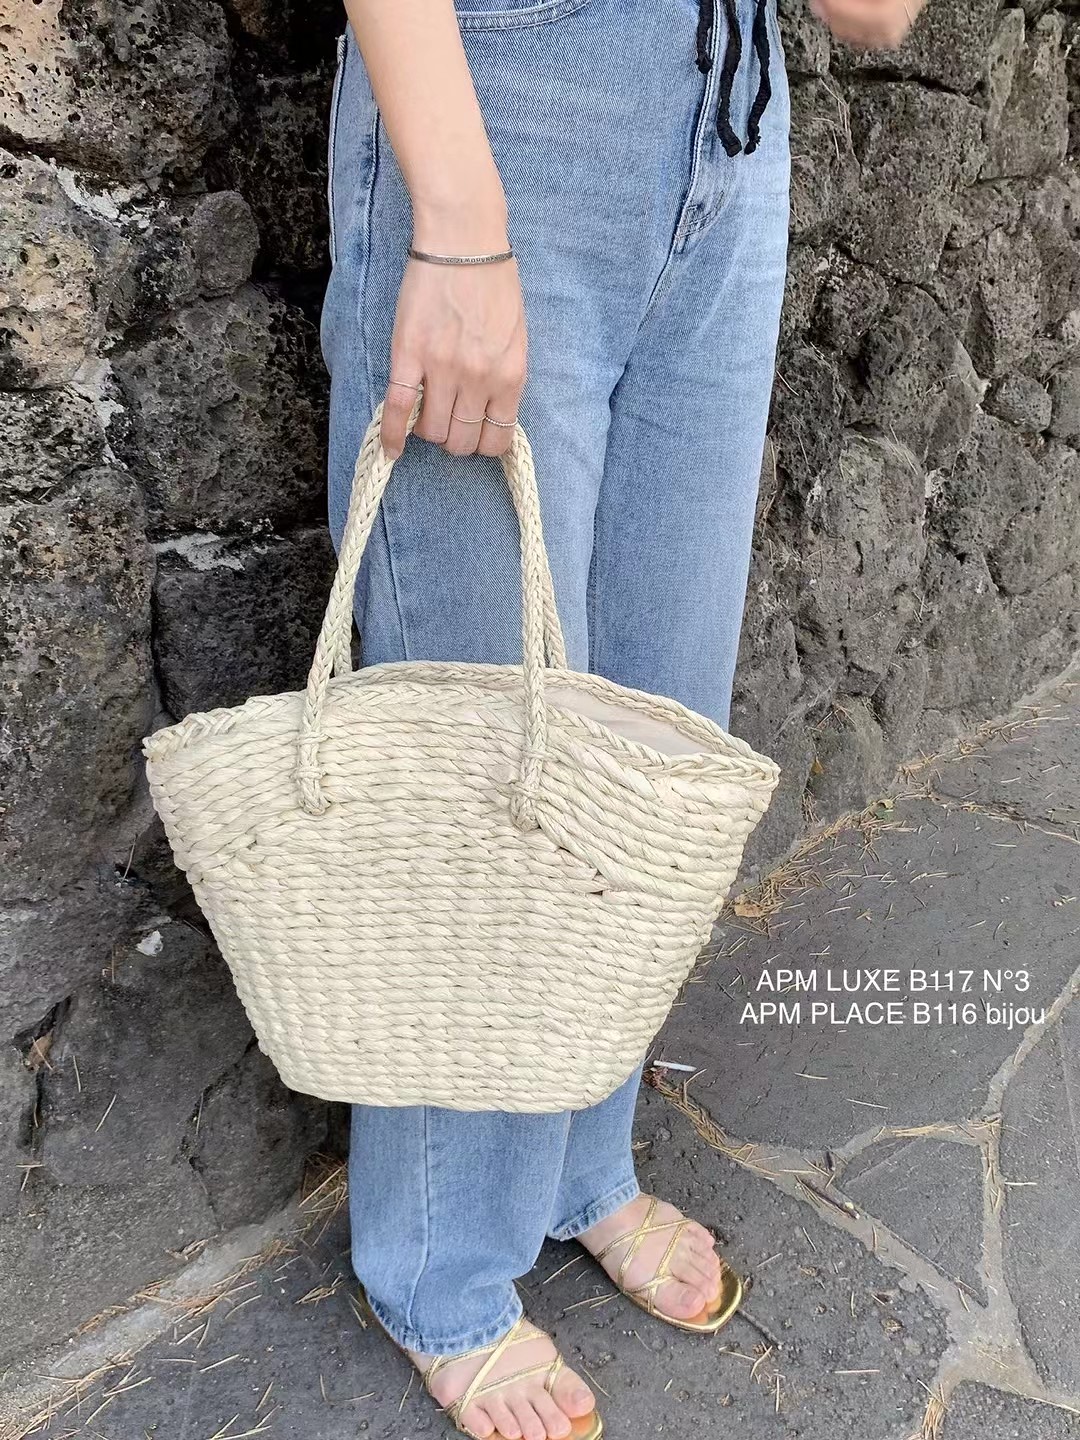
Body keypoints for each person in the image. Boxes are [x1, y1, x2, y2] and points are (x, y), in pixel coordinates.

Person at [320, 1, 921, 1436]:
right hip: (508, 89)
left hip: (730, 112)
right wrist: (457, 218)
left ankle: (583, 1159)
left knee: (651, 730)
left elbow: (877, 14)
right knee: (486, 750)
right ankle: (442, 1262)